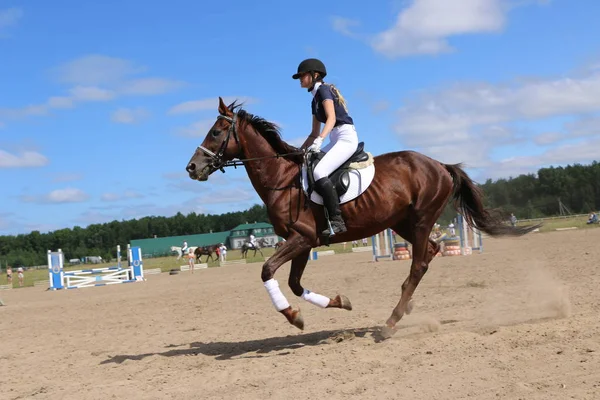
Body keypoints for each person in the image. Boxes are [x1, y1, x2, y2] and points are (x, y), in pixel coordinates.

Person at [293, 58, 358, 236]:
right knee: (308, 165)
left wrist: (321, 140)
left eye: (302, 75)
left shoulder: (324, 90)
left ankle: (337, 220)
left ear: (315, 75)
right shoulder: (314, 100)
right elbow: (313, 133)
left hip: (345, 137)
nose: (300, 78)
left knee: (319, 172)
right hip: (335, 138)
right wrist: (299, 151)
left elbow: (331, 119)